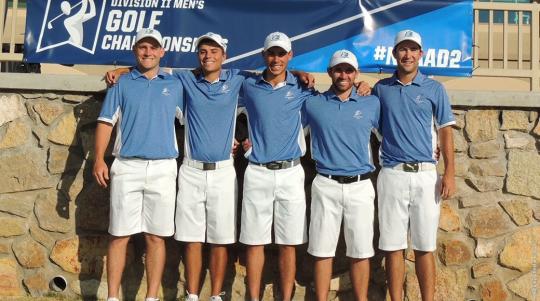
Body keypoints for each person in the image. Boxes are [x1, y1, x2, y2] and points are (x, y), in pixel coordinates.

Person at [105, 32, 315, 301]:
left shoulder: (241, 79)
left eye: (214, 51)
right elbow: (151, 67)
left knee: (221, 238)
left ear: (224, 56)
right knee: (192, 239)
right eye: (204, 51)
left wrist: (299, 72)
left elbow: (275, 77)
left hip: (226, 172)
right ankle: (193, 295)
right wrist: (123, 70)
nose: (209, 56)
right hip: (190, 170)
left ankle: (216, 295)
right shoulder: (185, 79)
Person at [93, 28, 184, 301]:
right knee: (119, 235)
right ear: (136, 51)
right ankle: (112, 297)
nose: (148, 52)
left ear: (162, 52)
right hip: (127, 167)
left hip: (163, 168)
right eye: (143, 47)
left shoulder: (176, 84)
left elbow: (200, 113)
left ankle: (152, 297)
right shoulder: (120, 84)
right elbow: (106, 123)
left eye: (153, 47)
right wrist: (99, 158)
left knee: (156, 237)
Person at [373, 29, 456, 301]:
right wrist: (361, 86)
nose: (407, 55)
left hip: (426, 176)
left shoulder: (435, 89)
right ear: (395, 54)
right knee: (393, 247)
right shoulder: (381, 89)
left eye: (412, 50)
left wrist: (450, 173)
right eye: (402, 49)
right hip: (392, 174)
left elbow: (445, 131)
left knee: (424, 247)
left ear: (420, 54)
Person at [238, 32, 314, 301]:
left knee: (288, 244)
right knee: (254, 242)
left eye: (281, 54)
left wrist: (363, 86)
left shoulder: (303, 88)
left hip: (291, 173)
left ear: (290, 56)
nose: (276, 59)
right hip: (257, 172)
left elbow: (337, 98)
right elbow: (216, 99)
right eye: (271, 53)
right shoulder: (247, 85)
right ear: (263, 56)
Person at [303, 50, 380, 301]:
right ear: (330, 73)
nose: (343, 75)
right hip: (326, 184)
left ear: (356, 74)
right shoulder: (313, 103)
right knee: (322, 251)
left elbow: (390, 137)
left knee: (360, 252)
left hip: (360, 186)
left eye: (349, 70)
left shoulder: (371, 102)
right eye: (338, 69)